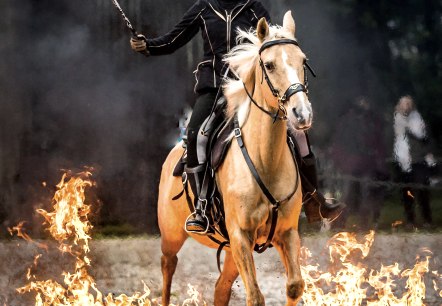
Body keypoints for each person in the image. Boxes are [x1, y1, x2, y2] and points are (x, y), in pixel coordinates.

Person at [130, 0, 344, 234]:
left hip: (249, 90)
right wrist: (147, 46)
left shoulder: (254, 8)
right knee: (195, 137)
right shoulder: (204, 8)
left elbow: (272, 45)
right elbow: (174, 39)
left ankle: (313, 200)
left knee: (299, 136)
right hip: (213, 90)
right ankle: (201, 208)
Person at [330, 97, 388, 230]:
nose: (364, 104)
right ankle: (338, 224)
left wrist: (380, 164)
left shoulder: (372, 122)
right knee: (346, 195)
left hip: (367, 165)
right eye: (362, 102)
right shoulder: (346, 121)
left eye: (366, 102)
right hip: (349, 165)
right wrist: (340, 161)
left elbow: (378, 144)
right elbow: (339, 143)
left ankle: (364, 226)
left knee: (367, 195)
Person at [393, 95, 437, 229]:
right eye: (403, 103)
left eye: (408, 103)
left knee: (422, 192)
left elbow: (425, 139)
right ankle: (410, 221)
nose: (406, 106)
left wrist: (428, 156)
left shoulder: (418, 120)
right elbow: (394, 141)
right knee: (407, 194)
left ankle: (427, 220)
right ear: (399, 106)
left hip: (418, 160)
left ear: (412, 105)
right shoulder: (396, 121)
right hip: (402, 161)